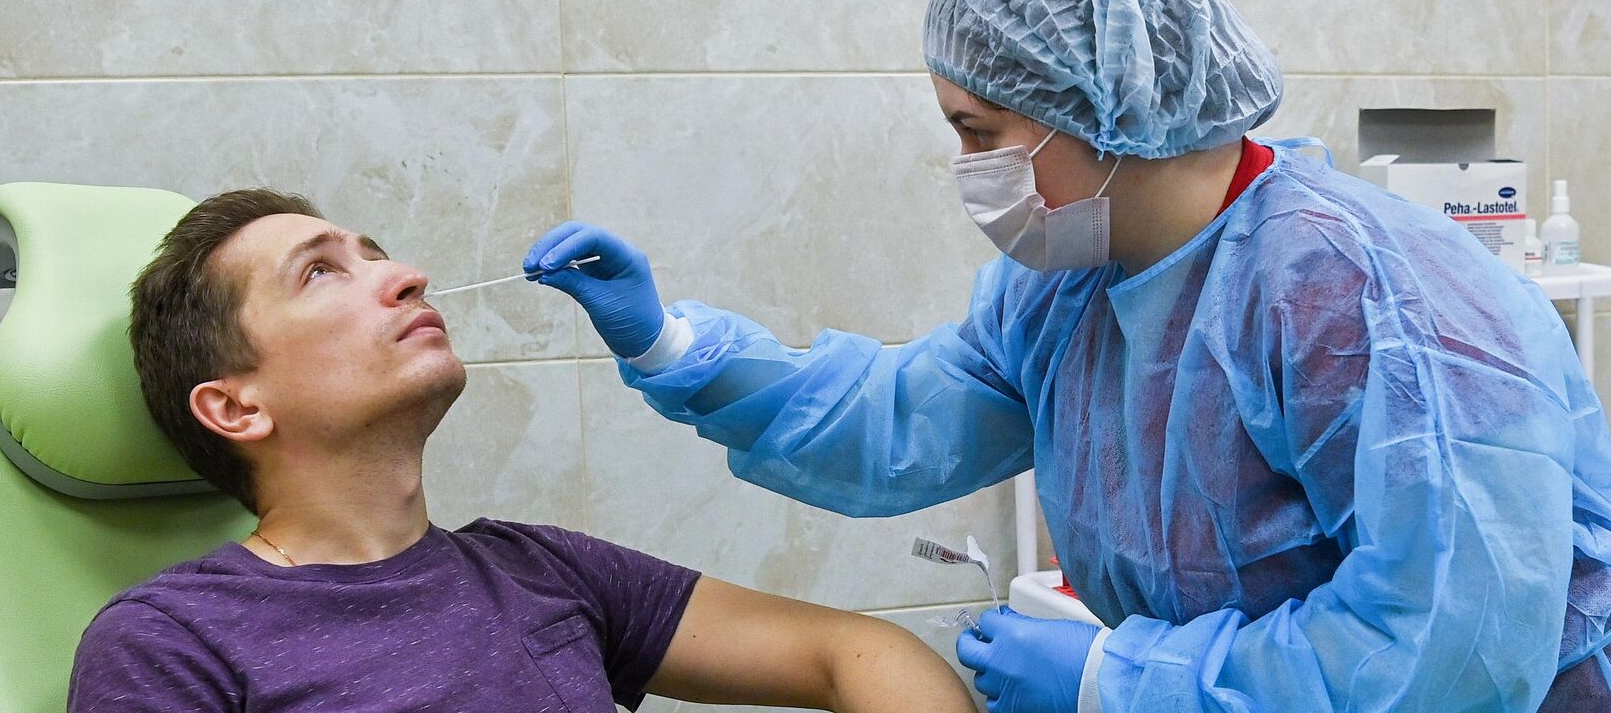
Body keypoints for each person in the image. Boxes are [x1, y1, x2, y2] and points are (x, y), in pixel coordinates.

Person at [522, 0, 1611, 710]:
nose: (966, 167)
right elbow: (904, 425)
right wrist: (673, 348)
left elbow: (1453, 650)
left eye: (979, 131)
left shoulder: (1362, 293)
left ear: (1103, 113)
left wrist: (1121, 678)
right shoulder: (1072, 283)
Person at [65, 189, 977, 712]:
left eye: (376, 251)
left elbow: (858, 653)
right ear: (234, 407)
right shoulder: (167, 643)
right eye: (321, 271)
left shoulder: (538, 570)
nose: (405, 274)